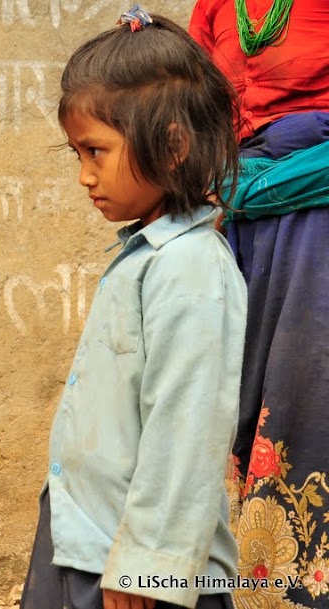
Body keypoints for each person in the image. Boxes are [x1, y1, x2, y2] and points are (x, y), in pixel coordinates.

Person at [18, 6, 246, 609]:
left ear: (171, 146)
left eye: (96, 152)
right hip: (87, 540)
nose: (84, 176)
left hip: (139, 571)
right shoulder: (147, 255)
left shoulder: (191, 267)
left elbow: (187, 423)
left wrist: (150, 563)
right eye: (77, 155)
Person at [189, 2, 329, 607]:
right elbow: (195, 111)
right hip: (241, 221)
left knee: (305, 385)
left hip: (317, 219)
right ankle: (252, 578)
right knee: (242, 397)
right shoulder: (215, 7)